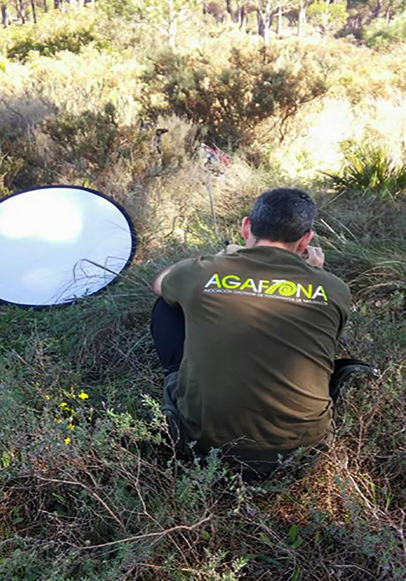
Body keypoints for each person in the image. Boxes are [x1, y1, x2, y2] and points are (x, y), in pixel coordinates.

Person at [151, 187, 375, 479]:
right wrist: (317, 272)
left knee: (166, 306)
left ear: (246, 227)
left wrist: (219, 259)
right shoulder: (333, 287)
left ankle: (177, 378)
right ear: (306, 239)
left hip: (204, 447)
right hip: (303, 455)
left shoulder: (203, 271)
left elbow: (159, 283)